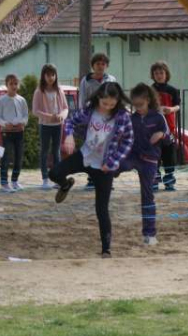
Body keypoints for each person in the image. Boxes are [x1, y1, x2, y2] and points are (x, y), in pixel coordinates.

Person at [50, 82, 133, 259]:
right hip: (85, 156)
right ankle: (65, 185)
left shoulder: (123, 116)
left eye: (112, 104)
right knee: (54, 173)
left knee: (101, 209)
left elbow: (128, 141)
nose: (108, 107)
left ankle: (106, 249)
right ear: (98, 98)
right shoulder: (89, 110)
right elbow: (70, 121)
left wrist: (113, 162)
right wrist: (69, 135)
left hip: (104, 166)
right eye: (104, 103)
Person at [118, 84, 167, 246]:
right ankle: (105, 177)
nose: (138, 108)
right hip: (133, 156)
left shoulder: (158, 117)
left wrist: (162, 134)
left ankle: (149, 234)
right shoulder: (131, 119)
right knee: (116, 165)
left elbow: (170, 139)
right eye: (135, 105)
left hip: (150, 161)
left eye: (141, 104)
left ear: (148, 100)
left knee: (147, 196)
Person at [78, 52, 118, 189]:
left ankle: (107, 180)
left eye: (103, 64)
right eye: (97, 64)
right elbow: (82, 100)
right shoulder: (86, 81)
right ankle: (92, 179)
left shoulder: (111, 79)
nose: (100, 66)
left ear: (106, 65)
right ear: (93, 65)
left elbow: (116, 97)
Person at [33, 63, 69, 189]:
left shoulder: (59, 90)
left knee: (56, 151)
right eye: (48, 75)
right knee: (44, 151)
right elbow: (35, 111)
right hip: (45, 125)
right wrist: (50, 116)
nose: (50, 77)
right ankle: (45, 179)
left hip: (58, 125)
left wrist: (62, 116)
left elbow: (65, 108)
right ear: (43, 76)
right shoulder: (39, 91)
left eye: (53, 75)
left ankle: (58, 179)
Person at [0, 74, 28, 192]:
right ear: (6, 85)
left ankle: (15, 181)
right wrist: (5, 124)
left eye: (15, 83)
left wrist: (23, 122)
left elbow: (25, 115)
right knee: (6, 156)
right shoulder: (1, 100)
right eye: (11, 84)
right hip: (7, 132)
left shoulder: (22, 100)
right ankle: (4, 182)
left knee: (19, 156)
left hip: (19, 132)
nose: (14, 86)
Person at [150, 61, 179, 192]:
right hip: (153, 128)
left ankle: (169, 182)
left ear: (166, 74)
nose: (159, 75)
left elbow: (178, 106)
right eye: (156, 73)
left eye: (161, 72)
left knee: (169, 156)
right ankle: (154, 181)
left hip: (169, 128)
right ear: (153, 75)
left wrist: (171, 109)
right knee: (154, 155)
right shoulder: (150, 90)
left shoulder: (173, 90)